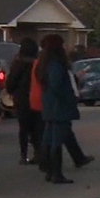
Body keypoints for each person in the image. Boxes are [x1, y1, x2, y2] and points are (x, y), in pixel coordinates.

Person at [35, 34, 79, 184]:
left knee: (48, 138)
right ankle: (56, 173)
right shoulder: (56, 65)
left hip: (49, 105)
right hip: (59, 107)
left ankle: (48, 169)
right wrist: (70, 99)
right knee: (57, 140)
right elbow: (57, 86)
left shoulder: (43, 63)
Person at [6, 37, 42, 165]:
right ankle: (38, 152)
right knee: (37, 127)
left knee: (23, 128)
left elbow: (11, 83)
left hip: (21, 99)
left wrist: (11, 91)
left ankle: (24, 155)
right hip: (36, 97)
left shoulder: (18, 64)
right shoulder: (38, 63)